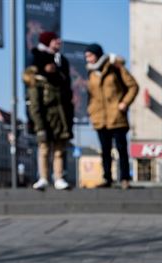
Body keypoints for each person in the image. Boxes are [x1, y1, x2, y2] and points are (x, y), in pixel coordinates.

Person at [23, 31, 74, 190]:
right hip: (45, 116)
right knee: (44, 147)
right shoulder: (37, 66)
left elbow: (67, 89)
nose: (58, 41)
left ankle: (58, 177)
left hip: (61, 115)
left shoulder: (62, 61)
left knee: (59, 148)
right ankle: (43, 177)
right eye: (54, 39)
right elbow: (34, 104)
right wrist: (37, 124)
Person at [84, 43, 139, 189]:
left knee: (121, 148)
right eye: (86, 56)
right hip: (99, 117)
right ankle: (107, 178)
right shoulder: (90, 73)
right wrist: (91, 110)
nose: (87, 59)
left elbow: (133, 86)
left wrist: (125, 103)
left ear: (97, 55)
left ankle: (125, 178)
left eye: (90, 55)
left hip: (117, 115)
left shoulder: (115, 68)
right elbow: (90, 95)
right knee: (105, 149)